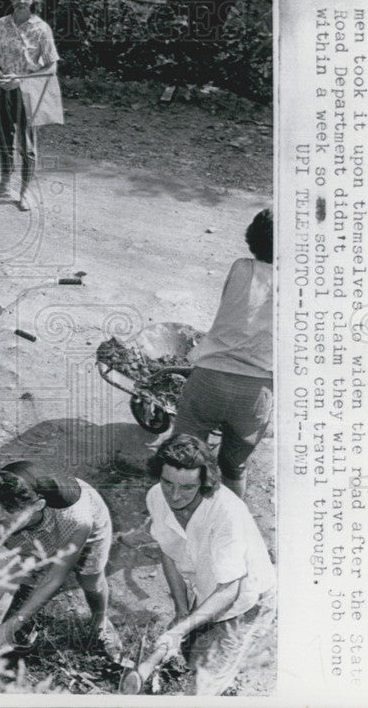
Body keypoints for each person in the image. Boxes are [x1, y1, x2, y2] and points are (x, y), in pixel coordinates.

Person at [0, 460, 125, 662]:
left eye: (9, 511)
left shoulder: (78, 520)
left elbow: (53, 579)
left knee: (90, 580)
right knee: (8, 574)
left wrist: (15, 622)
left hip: (78, 530)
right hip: (25, 533)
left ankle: (100, 620)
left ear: (38, 505)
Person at [134, 435, 275, 693]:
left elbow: (229, 589)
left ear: (204, 482)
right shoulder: (156, 496)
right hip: (207, 587)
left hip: (244, 602)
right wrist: (181, 612)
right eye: (167, 483)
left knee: (201, 688)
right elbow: (168, 551)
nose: (174, 496)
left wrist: (182, 628)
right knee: (190, 654)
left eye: (187, 488)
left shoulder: (225, 513)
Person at [169, 209, 273, 498]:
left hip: (210, 378)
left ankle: (177, 513)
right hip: (257, 391)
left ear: (253, 239)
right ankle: (232, 518)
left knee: (183, 454)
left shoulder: (240, 268)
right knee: (235, 465)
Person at [0, 0, 61, 211]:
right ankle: (4, 185)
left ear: (34, 0)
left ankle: (24, 193)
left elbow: (52, 66)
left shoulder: (41, 28)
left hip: (28, 91)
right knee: (3, 139)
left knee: (27, 146)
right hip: (2, 89)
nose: (21, 1)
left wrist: (22, 80)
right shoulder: (1, 24)